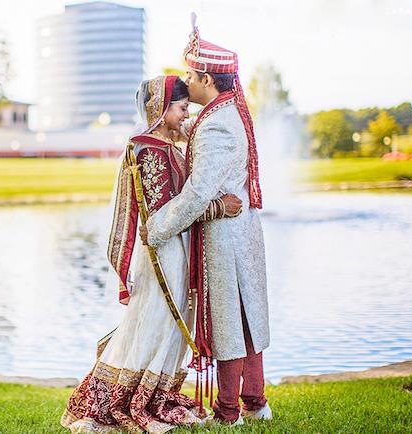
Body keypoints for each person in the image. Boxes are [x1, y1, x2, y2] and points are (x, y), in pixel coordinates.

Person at [60, 75, 243, 433]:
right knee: (156, 320)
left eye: (187, 107)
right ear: (159, 109)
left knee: (165, 324)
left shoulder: (165, 144)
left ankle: (155, 392)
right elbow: (161, 215)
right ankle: (126, 397)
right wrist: (219, 207)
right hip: (163, 252)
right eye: (179, 108)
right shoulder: (149, 149)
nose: (184, 115)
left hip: (175, 248)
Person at [139, 18, 272, 426]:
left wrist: (157, 227)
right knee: (244, 317)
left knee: (230, 321)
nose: (185, 84)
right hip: (235, 232)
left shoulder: (216, 124)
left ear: (206, 80)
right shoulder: (223, 113)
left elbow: (198, 193)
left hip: (224, 238)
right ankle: (255, 403)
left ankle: (229, 412)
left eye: (190, 77)